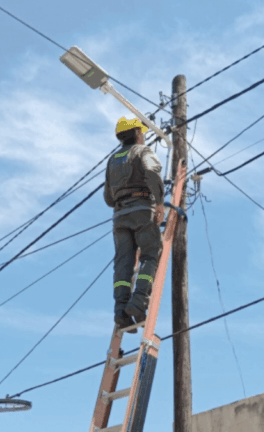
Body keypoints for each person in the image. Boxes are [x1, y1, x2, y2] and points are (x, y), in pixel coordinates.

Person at [104, 117, 165, 332]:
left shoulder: (112, 160)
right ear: (138, 133)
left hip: (120, 217)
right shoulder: (142, 152)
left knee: (123, 264)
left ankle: (121, 311)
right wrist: (159, 202)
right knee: (150, 254)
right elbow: (151, 173)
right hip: (142, 211)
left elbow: (108, 198)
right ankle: (138, 303)